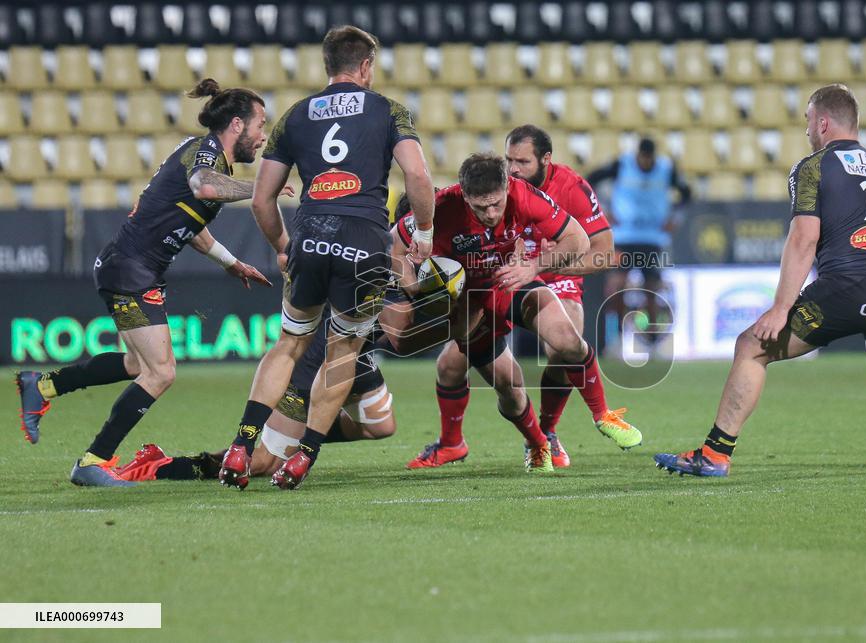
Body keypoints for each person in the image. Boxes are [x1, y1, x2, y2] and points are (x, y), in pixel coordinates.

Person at [654, 84, 866, 477]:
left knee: (752, 348)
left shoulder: (812, 166)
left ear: (823, 122)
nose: (807, 130)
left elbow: (804, 238)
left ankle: (715, 454)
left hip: (846, 286)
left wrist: (780, 308)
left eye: (808, 121)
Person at [14, 79, 278, 487]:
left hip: (134, 268)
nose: (263, 136)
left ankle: (43, 385)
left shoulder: (208, 160)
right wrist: (264, 187)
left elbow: (190, 225)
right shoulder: (205, 153)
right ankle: (92, 460)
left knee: (139, 365)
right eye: (261, 124)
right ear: (238, 125)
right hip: (130, 269)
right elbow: (205, 188)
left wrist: (232, 262)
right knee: (160, 372)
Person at [219, 26, 434, 491]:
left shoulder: (295, 116)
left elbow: (261, 199)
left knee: (289, 344)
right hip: (365, 241)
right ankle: (304, 457)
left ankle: (241, 443)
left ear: (327, 65)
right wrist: (425, 234)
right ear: (365, 67)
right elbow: (417, 174)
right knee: (343, 351)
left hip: (310, 236)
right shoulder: (388, 110)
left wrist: (281, 246)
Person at [408, 125, 634, 469]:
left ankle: (591, 417)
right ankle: (504, 443)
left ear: (544, 160)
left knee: (566, 340)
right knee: (477, 378)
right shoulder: (444, 206)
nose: (514, 169)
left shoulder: (551, 190)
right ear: (466, 196)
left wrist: (537, 268)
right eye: (509, 160)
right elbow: (399, 245)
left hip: (530, 276)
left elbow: (593, 247)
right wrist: (418, 286)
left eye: (522, 161)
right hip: (478, 293)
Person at [115, 317, 395, 482]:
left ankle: (301, 435)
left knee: (380, 426)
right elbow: (403, 329)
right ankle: (160, 466)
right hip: (320, 358)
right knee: (264, 462)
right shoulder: (398, 256)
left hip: (357, 355)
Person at [587, 137, 691, 341]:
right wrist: (604, 210)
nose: (645, 162)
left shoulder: (666, 168)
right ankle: (619, 336)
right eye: (642, 157)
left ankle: (651, 341)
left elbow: (686, 194)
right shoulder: (622, 165)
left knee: (652, 289)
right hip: (624, 237)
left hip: (652, 239)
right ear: (638, 155)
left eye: (648, 158)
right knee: (617, 286)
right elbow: (590, 180)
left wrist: (675, 219)